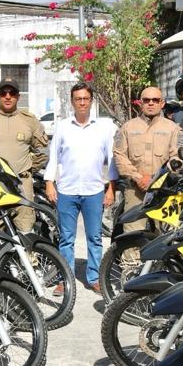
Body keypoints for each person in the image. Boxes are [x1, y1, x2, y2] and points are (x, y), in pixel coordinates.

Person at [43, 82, 117, 294]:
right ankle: (65, 279)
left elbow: (111, 160)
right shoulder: (63, 127)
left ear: (91, 100)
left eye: (85, 98)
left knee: (95, 238)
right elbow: (54, 157)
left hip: (94, 191)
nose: (82, 102)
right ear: (72, 102)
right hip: (67, 190)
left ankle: (94, 278)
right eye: (78, 99)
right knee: (66, 239)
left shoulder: (103, 128)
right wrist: (49, 183)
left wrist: (111, 188)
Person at [0, 78, 49, 232]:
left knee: (25, 229)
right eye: (3, 93)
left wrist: (28, 170)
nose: (7, 96)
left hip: (21, 185)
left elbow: (43, 151)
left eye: (12, 93)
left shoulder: (30, 121)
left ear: (18, 96)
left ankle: (26, 256)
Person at [112, 85, 183, 232]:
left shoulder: (174, 129)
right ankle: (132, 257)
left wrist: (155, 179)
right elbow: (119, 154)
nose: (151, 103)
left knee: (165, 236)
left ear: (162, 103)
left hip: (164, 191)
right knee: (132, 235)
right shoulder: (127, 128)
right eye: (146, 100)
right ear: (140, 103)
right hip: (135, 191)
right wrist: (138, 177)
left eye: (155, 100)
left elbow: (180, 157)